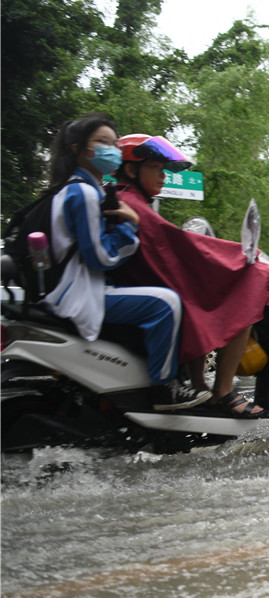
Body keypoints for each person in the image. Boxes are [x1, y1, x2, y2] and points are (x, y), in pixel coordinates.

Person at [109, 134, 269, 417]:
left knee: (200, 301)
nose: (164, 175)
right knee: (246, 297)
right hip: (142, 290)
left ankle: (199, 384)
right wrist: (241, 259)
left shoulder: (126, 200)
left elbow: (175, 248)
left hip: (140, 286)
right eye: (156, 168)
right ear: (131, 170)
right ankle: (223, 391)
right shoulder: (130, 203)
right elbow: (185, 249)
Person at [39, 114, 209, 411]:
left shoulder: (81, 187)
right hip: (81, 293)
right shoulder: (83, 192)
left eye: (114, 144)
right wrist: (128, 227)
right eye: (102, 143)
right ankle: (165, 388)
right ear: (79, 149)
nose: (111, 150)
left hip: (78, 287)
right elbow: (101, 256)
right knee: (166, 303)